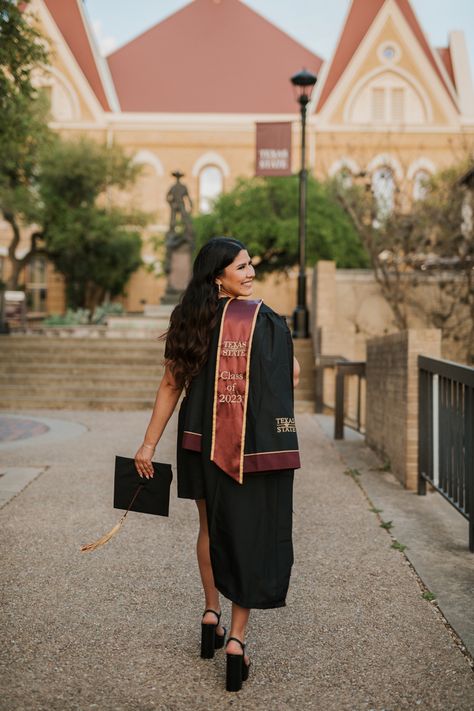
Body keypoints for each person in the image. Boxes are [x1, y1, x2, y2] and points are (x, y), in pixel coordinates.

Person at [134, 237, 301, 692]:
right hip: (244, 445)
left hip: (197, 441)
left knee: (209, 529)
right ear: (218, 276)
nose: (250, 273)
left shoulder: (190, 318)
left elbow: (171, 384)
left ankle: (211, 613)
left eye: (251, 265)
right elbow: (290, 378)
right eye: (241, 267)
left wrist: (148, 446)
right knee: (244, 530)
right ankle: (237, 642)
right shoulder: (264, 320)